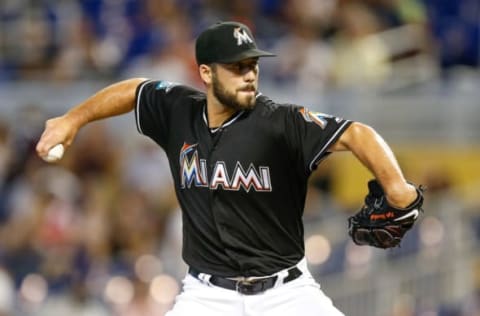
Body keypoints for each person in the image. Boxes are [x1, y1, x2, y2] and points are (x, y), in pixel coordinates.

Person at [36, 21, 419, 316]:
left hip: (286, 294)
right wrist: (73, 119)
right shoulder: (178, 111)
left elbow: (358, 134)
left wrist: (398, 189)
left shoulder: (280, 123)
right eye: (237, 67)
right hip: (207, 296)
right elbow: (134, 90)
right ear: (206, 73)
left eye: (252, 64)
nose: (250, 74)